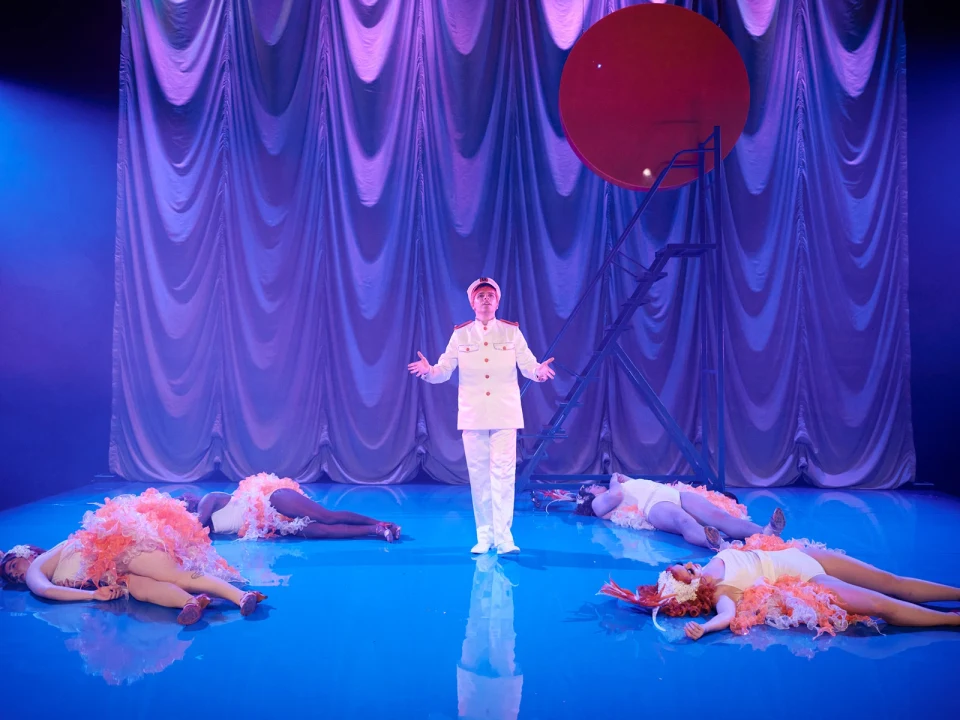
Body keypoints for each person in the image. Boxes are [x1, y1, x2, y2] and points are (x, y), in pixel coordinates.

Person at [408, 277, 556, 555]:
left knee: (503, 474)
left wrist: (539, 372)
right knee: (479, 476)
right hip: (474, 414)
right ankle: (484, 535)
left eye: (490, 295)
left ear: (497, 302)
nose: (485, 299)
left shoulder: (511, 332)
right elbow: (444, 369)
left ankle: (504, 538)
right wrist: (429, 370)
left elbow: (527, 364)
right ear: (472, 303)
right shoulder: (461, 335)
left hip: (504, 413)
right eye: (480, 296)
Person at [599, 535, 960, 639]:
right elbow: (726, 618)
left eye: (679, 564)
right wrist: (704, 627)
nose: (685, 565)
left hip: (799, 553)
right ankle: (951, 620)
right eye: (684, 572)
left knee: (892, 581)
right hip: (808, 579)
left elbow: (735, 544)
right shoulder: (725, 594)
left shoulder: (712, 559)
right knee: (879, 604)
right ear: (689, 590)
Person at [0, 489, 265, 626]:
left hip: (117, 550)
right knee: (141, 589)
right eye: (10, 576)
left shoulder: (40, 564)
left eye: (13, 565)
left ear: (27, 553)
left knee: (175, 575)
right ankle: (191, 603)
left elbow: (44, 590)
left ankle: (240, 596)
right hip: (116, 576)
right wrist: (93, 591)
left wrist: (91, 596)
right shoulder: (56, 569)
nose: (14, 574)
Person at [574, 473, 785, 549]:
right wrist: (613, 479)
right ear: (588, 497)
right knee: (684, 522)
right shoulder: (598, 503)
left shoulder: (618, 486)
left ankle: (765, 531)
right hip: (653, 506)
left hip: (669, 493)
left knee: (719, 516)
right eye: (589, 488)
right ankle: (714, 542)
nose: (593, 486)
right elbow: (617, 496)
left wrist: (622, 478)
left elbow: (634, 484)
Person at [183, 472, 401, 542]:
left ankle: (379, 521)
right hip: (272, 523)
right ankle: (376, 529)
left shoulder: (208, 500)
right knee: (323, 531)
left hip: (272, 500)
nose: (185, 501)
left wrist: (170, 522)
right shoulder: (207, 525)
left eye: (184, 500)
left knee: (327, 517)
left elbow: (194, 528)